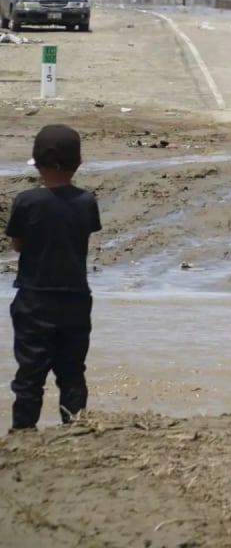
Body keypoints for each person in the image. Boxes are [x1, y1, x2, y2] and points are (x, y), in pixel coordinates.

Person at [6, 124, 102, 432]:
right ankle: (75, 429)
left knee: (29, 374)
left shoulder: (26, 201)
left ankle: (22, 432)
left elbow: (18, 244)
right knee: (72, 372)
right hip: (75, 297)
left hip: (34, 298)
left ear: (36, 163)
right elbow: (82, 235)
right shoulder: (87, 201)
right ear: (79, 163)